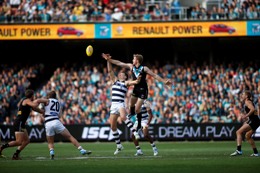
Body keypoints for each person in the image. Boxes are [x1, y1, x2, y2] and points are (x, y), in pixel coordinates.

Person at [102, 53, 172, 133]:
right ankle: (132, 114)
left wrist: (164, 81)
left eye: (133, 59)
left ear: (137, 60)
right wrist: (108, 60)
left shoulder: (144, 68)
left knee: (137, 108)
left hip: (143, 89)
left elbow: (154, 75)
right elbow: (119, 63)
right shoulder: (131, 66)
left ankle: (138, 124)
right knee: (131, 105)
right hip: (136, 88)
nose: (132, 60)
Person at [37, 90, 92, 160]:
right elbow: (60, 115)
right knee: (70, 136)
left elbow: (39, 101)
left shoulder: (47, 100)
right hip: (56, 121)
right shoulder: (58, 103)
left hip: (48, 122)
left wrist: (39, 109)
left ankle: (52, 152)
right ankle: (81, 149)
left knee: (50, 141)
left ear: (48, 96)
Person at [106, 60, 141, 155]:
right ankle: (119, 145)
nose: (120, 75)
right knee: (113, 127)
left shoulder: (126, 83)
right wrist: (108, 61)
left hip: (120, 103)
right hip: (113, 105)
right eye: (120, 74)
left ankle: (135, 132)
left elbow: (135, 82)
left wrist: (138, 79)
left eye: (122, 74)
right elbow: (110, 71)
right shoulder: (114, 81)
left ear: (125, 77)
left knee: (123, 117)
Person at [0, 89, 44, 160]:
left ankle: (15, 155)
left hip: (21, 123)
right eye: (34, 95)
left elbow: (36, 109)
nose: (34, 97)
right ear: (32, 96)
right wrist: (40, 100)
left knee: (26, 141)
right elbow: (35, 104)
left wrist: (44, 112)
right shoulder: (26, 100)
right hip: (19, 122)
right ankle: (2, 147)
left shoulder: (28, 102)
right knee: (19, 142)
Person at [230, 90, 260, 157]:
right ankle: (256, 153)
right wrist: (248, 119)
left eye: (243, 94)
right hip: (255, 120)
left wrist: (246, 116)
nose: (242, 95)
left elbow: (252, 109)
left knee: (238, 132)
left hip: (254, 121)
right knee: (247, 136)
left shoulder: (247, 102)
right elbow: (254, 112)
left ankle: (239, 150)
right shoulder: (249, 102)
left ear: (246, 96)